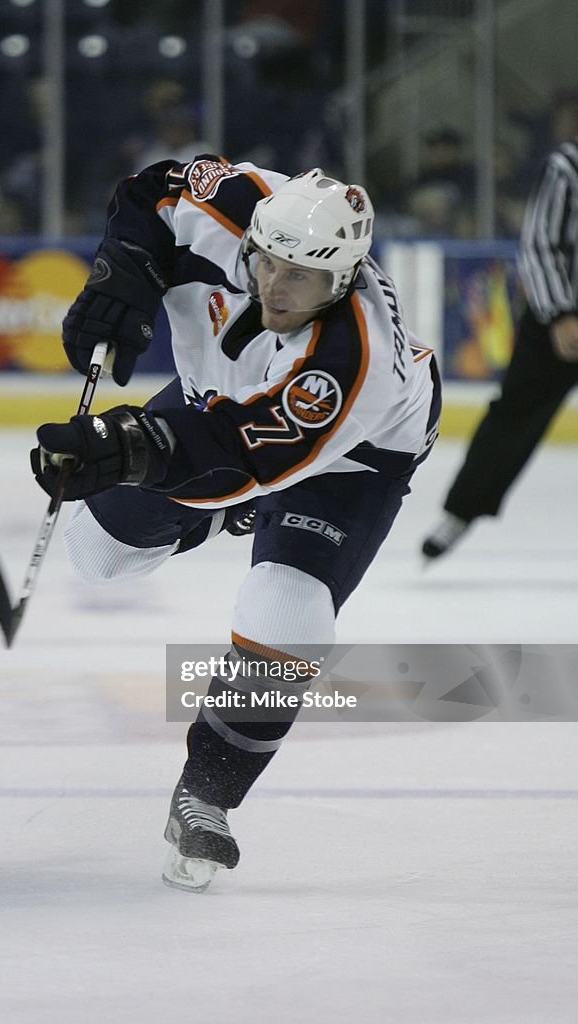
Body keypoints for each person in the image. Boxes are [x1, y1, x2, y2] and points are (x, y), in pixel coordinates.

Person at [30, 156, 441, 891]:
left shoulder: (355, 365)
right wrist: (122, 270)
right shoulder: (239, 204)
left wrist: (121, 450)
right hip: (221, 407)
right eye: (267, 263)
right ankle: (226, 521)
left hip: (353, 457)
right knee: (97, 557)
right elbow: (151, 190)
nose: (275, 289)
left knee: (290, 612)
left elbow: (232, 459)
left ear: (342, 279)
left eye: (303, 279)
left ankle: (208, 795)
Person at [422, 134, 578, 560]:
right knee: (514, 416)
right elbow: (542, 241)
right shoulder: (568, 166)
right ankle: (461, 511)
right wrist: (561, 313)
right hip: (560, 318)